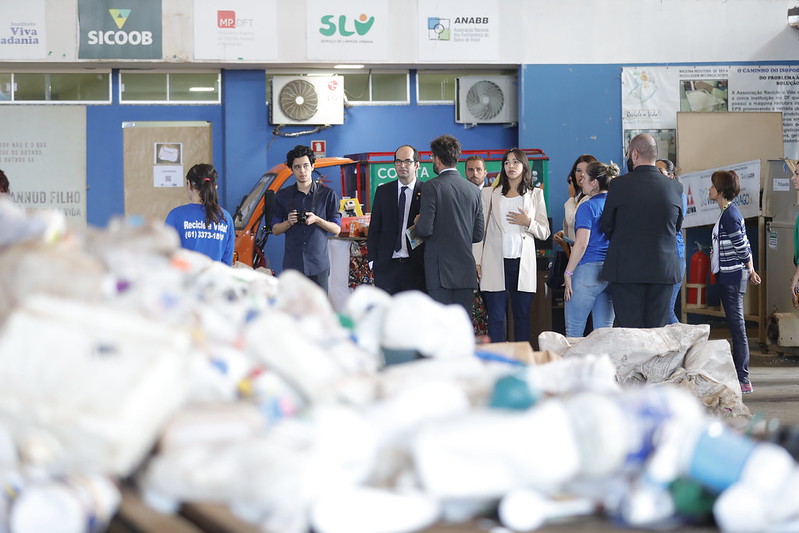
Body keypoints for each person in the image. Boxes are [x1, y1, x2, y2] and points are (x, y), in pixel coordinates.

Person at [600, 133, 683, 328]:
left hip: (626, 270)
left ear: (634, 154)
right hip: (663, 270)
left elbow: (607, 225)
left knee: (630, 333)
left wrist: (624, 240)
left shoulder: (618, 185)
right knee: (657, 333)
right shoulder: (675, 187)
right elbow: (676, 226)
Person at [473, 148, 550, 343]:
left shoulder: (535, 195)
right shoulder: (490, 194)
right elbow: (479, 231)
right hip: (494, 262)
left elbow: (545, 232)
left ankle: (522, 360)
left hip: (522, 264)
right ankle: (497, 361)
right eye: (507, 163)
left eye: (515, 162)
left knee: (522, 317)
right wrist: (477, 260)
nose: (510, 166)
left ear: (524, 166)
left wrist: (528, 222)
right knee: (496, 317)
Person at [415, 134, 484, 313]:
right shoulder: (474, 190)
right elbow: (478, 235)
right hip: (465, 271)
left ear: (437, 159)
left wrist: (418, 221)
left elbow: (424, 230)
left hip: (439, 273)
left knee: (440, 329)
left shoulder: (431, 186)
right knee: (462, 328)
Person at [709, 169, 761, 394]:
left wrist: (750, 268)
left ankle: (743, 378)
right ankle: (741, 376)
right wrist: (750, 269)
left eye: (712, 186)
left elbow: (742, 246)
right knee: (735, 326)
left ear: (720, 191)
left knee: (738, 328)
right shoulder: (728, 213)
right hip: (730, 276)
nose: (709, 189)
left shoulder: (730, 215)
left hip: (731, 278)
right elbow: (745, 244)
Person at [272, 145, 341, 291]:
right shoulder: (282, 196)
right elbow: (275, 230)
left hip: (318, 266)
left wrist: (317, 220)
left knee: (319, 310)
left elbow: (336, 229)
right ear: (291, 169)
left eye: (305, 166)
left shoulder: (328, 195)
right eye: (297, 167)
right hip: (292, 266)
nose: (302, 171)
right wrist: (289, 222)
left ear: (313, 166)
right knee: (292, 310)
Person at [563, 161, 618, 337]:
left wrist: (568, 273)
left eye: (585, 177)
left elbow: (581, 244)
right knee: (604, 334)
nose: (581, 180)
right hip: (611, 271)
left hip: (588, 270)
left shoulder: (586, 206)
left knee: (574, 333)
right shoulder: (615, 204)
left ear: (594, 182)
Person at [367, 144, 425, 294]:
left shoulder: (427, 192)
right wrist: (373, 261)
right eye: (398, 161)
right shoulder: (383, 191)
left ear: (417, 165)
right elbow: (374, 229)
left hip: (416, 268)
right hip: (387, 267)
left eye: (407, 161)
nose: (402, 165)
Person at [165, 163, 235, 264]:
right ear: (215, 186)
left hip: (184, 279)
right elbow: (227, 261)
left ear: (189, 184)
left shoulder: (176, 216)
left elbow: (166, 255)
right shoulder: (225, 218)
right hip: (215, 278)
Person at [657, 158, 688, 324]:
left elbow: (673, 224)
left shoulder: (678, 195)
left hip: (674, 256)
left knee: (666, 310)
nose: (656, 176)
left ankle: (686, 345)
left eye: (660, 172)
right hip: (662, 257)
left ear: (671, 176)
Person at [553, 154, 597, 256]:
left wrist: (571, 197)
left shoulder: (591, 197)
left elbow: (573, 220)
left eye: (586, 170)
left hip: (587, 255)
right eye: (578, 171)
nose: (582, 175)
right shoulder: (579, 197)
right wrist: (563, 234)